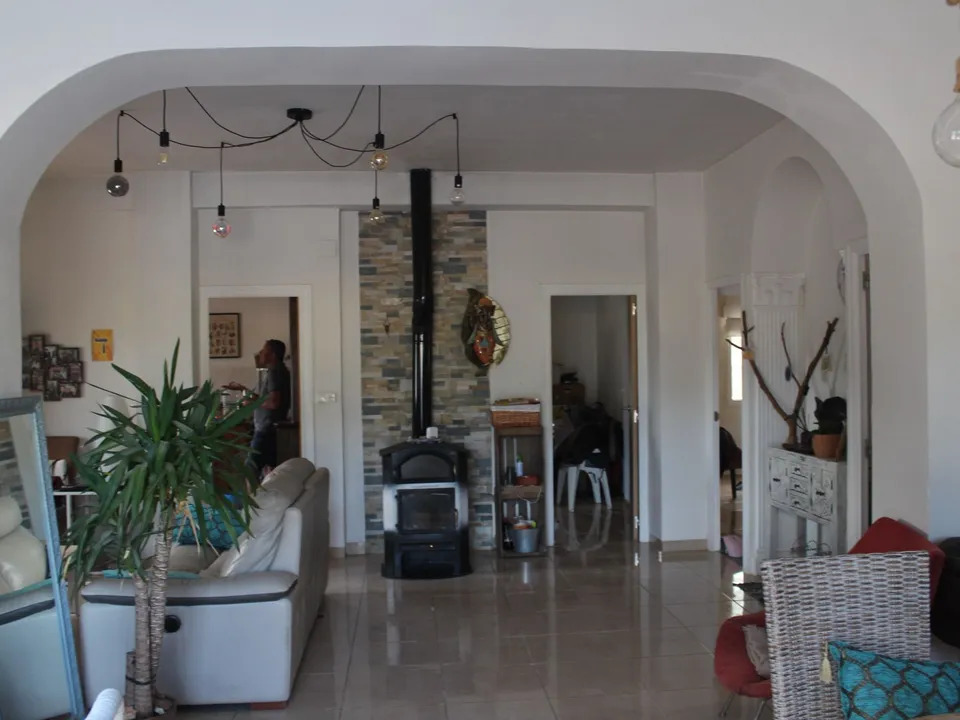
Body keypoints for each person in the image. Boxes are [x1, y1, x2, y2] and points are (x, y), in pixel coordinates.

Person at [224, 339, 291, 480]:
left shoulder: (275, 371)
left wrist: (251, 402)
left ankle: (251, 495)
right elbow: (265, 399)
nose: (260, 353)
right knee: (266, 471)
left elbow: (273, 402)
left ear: (272, 354)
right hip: (268, 429)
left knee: (250, 470)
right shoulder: (278, 370)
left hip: (266, 430)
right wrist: (243, 390)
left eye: (263, 350)